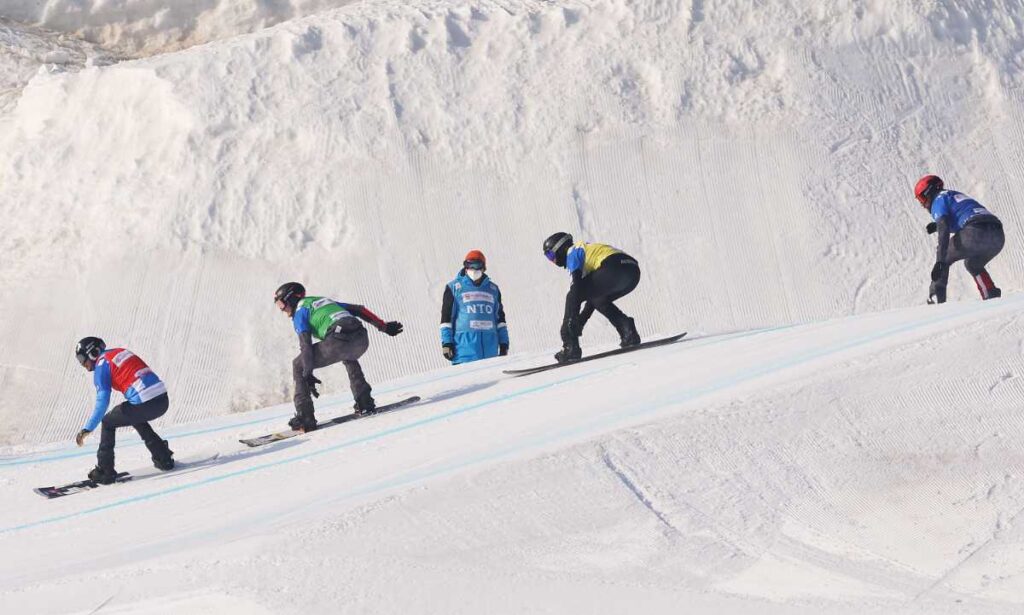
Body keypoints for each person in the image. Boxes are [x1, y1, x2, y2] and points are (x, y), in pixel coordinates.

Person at [274, 282, 404, 432]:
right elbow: (359, 310)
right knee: (348, 355)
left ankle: (305, 418)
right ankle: (364, 402)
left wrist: (307, 372)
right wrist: (384, 327)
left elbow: (305, 345)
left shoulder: (300, 312)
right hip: (361, 337)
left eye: (281, 304)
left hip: (338, 340)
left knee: (298, 365)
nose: (282, 309)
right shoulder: (321, 301)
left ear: (292, 298)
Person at [73, 337, 173, 484]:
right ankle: (163, 457)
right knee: (132, 414)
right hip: (162, 400)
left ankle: (105, 471)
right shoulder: (121, 352)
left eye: (82, 359)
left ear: (93, 353)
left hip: (145, 403)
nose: (82, 364)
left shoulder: (101, 365)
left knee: (108, 422)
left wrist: (87, 428)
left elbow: (102, 402)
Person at [542, 232, 641, 363]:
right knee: (598, 299)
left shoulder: (572, 252)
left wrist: (569, 326)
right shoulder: (586, 251)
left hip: (614, 267)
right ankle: (627, 330)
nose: (552, 260)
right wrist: (581, 320)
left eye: (550, 255)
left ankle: (570, 347)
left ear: (560, 248)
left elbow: (576, 289)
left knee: (571, 296)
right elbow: (592, 297)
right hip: (633, 271)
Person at [914, 175, 1005, 304]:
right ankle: (990, 294)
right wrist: (936, 226)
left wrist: (940, 261)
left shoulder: (937, 200)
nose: (923, 204)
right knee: (973, 264)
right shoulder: (952, 195)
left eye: (922, 198)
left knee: (944, 255)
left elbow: (944, 232)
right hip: (997, 235)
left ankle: (936, 297)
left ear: (929, 192)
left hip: (976, 232)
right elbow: (963, 214)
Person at [440, 250, 509, 364]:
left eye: (477, 266)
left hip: (490, 353)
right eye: (469, 265)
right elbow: (446, 320)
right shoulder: (454, 288)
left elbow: (500, 320)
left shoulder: (493, 290)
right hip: (464, 353)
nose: (473, 269)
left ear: (483, 267)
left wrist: (504, 343)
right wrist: (447, 343)